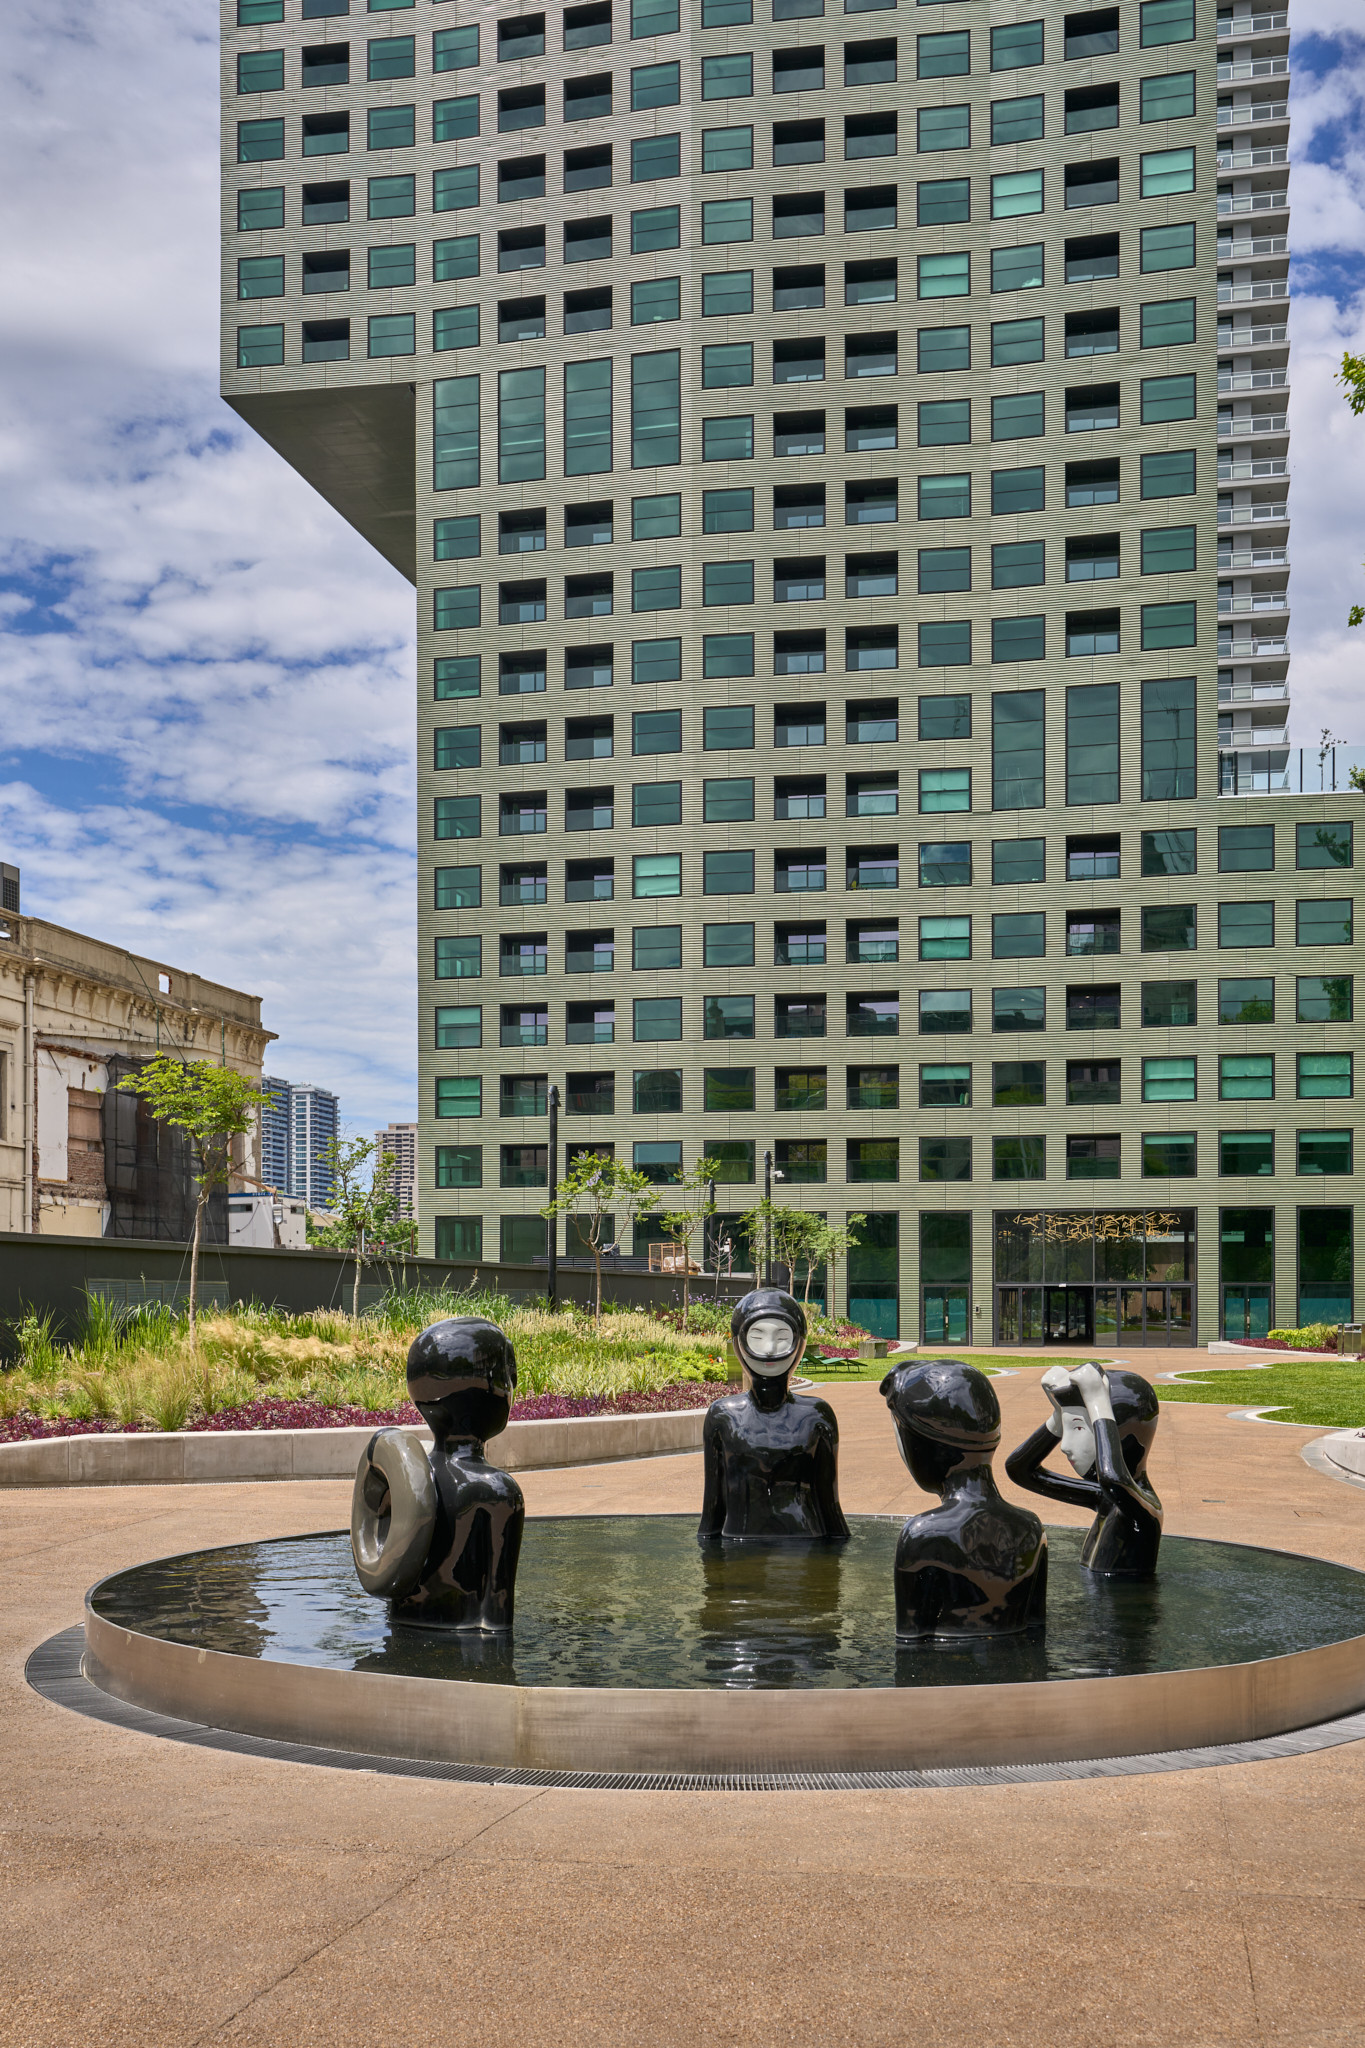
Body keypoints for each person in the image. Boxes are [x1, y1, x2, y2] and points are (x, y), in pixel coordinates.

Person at [880, 1358, 1047, 1638]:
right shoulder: (1031, 1528)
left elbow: (910, 1642)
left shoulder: (922, 1535)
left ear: (924, 1446)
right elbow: (1036, 1632)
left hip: (944, 1666)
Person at [391, 1315, 526, 1631]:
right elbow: (497, 1613)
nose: (513, 1387)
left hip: (404, 1629)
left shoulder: (403, 1482)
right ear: (490, 1388)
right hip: (467, 1643)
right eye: (508, 1376)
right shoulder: (499, 1491)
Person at [698, 1288, 850, 1543]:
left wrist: (840, 1551)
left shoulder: (816, 1415)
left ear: (799, 1343)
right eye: (757, 1337)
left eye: (782, 1337)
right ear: (739, 1342)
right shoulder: (723, 1415)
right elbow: (712, 1505)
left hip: (805, 1544)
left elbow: (829, 1503)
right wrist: (707, 1549)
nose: (769, 1349)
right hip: (739, 1546)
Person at [1005, 1362, 1163, 1578]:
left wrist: (1098, 1402)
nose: (1064, 1446)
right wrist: (1058, 1416)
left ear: (1116, 1434)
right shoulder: (1105, 1498)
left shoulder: (1146, 1510)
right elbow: (1019, 1469)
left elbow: (1112, 1479)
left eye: (1078, 1427)